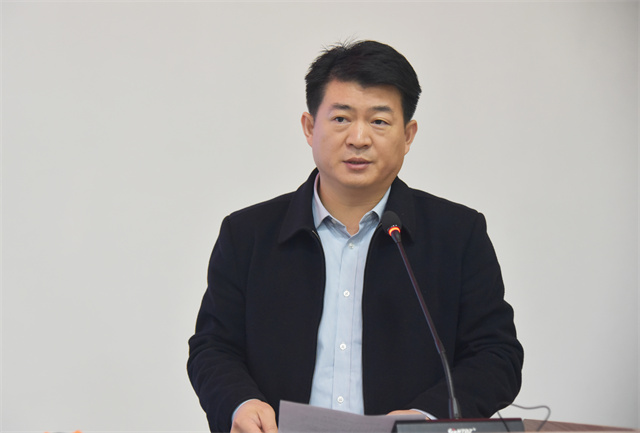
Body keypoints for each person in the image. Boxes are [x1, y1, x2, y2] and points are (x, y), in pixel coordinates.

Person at [187, 40, 524, 433]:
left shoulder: (458, 234)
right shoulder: (248, 234)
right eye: (341, 118)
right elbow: (213, 347)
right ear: (310, 127)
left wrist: (426, 419)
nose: (359, 138)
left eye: (379, 121)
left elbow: (496, 356)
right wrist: (240, 403)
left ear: (408, 135)